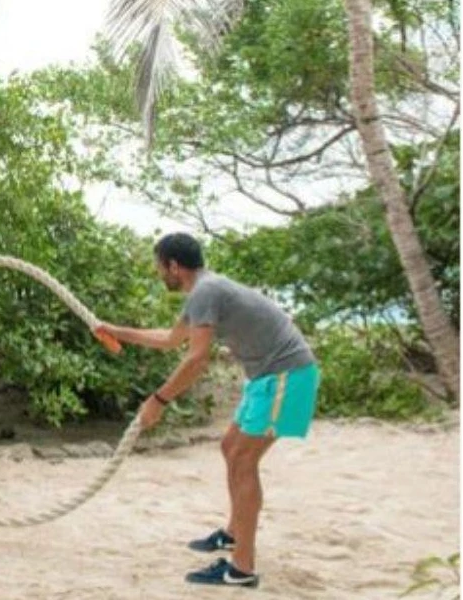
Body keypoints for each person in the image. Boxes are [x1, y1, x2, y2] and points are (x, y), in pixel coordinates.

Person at [96, 232, 321, 589]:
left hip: (286, 377)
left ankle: (242, 569)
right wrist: (115, 331)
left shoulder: (206, 291)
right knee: (230, 448)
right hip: (268, 378)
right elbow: (172, 340)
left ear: (173, 265)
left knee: (244, 461)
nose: (159, 275)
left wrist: (158, 400)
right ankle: (234, 534)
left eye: (159, 267)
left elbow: (197, 358)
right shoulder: (203, 292)